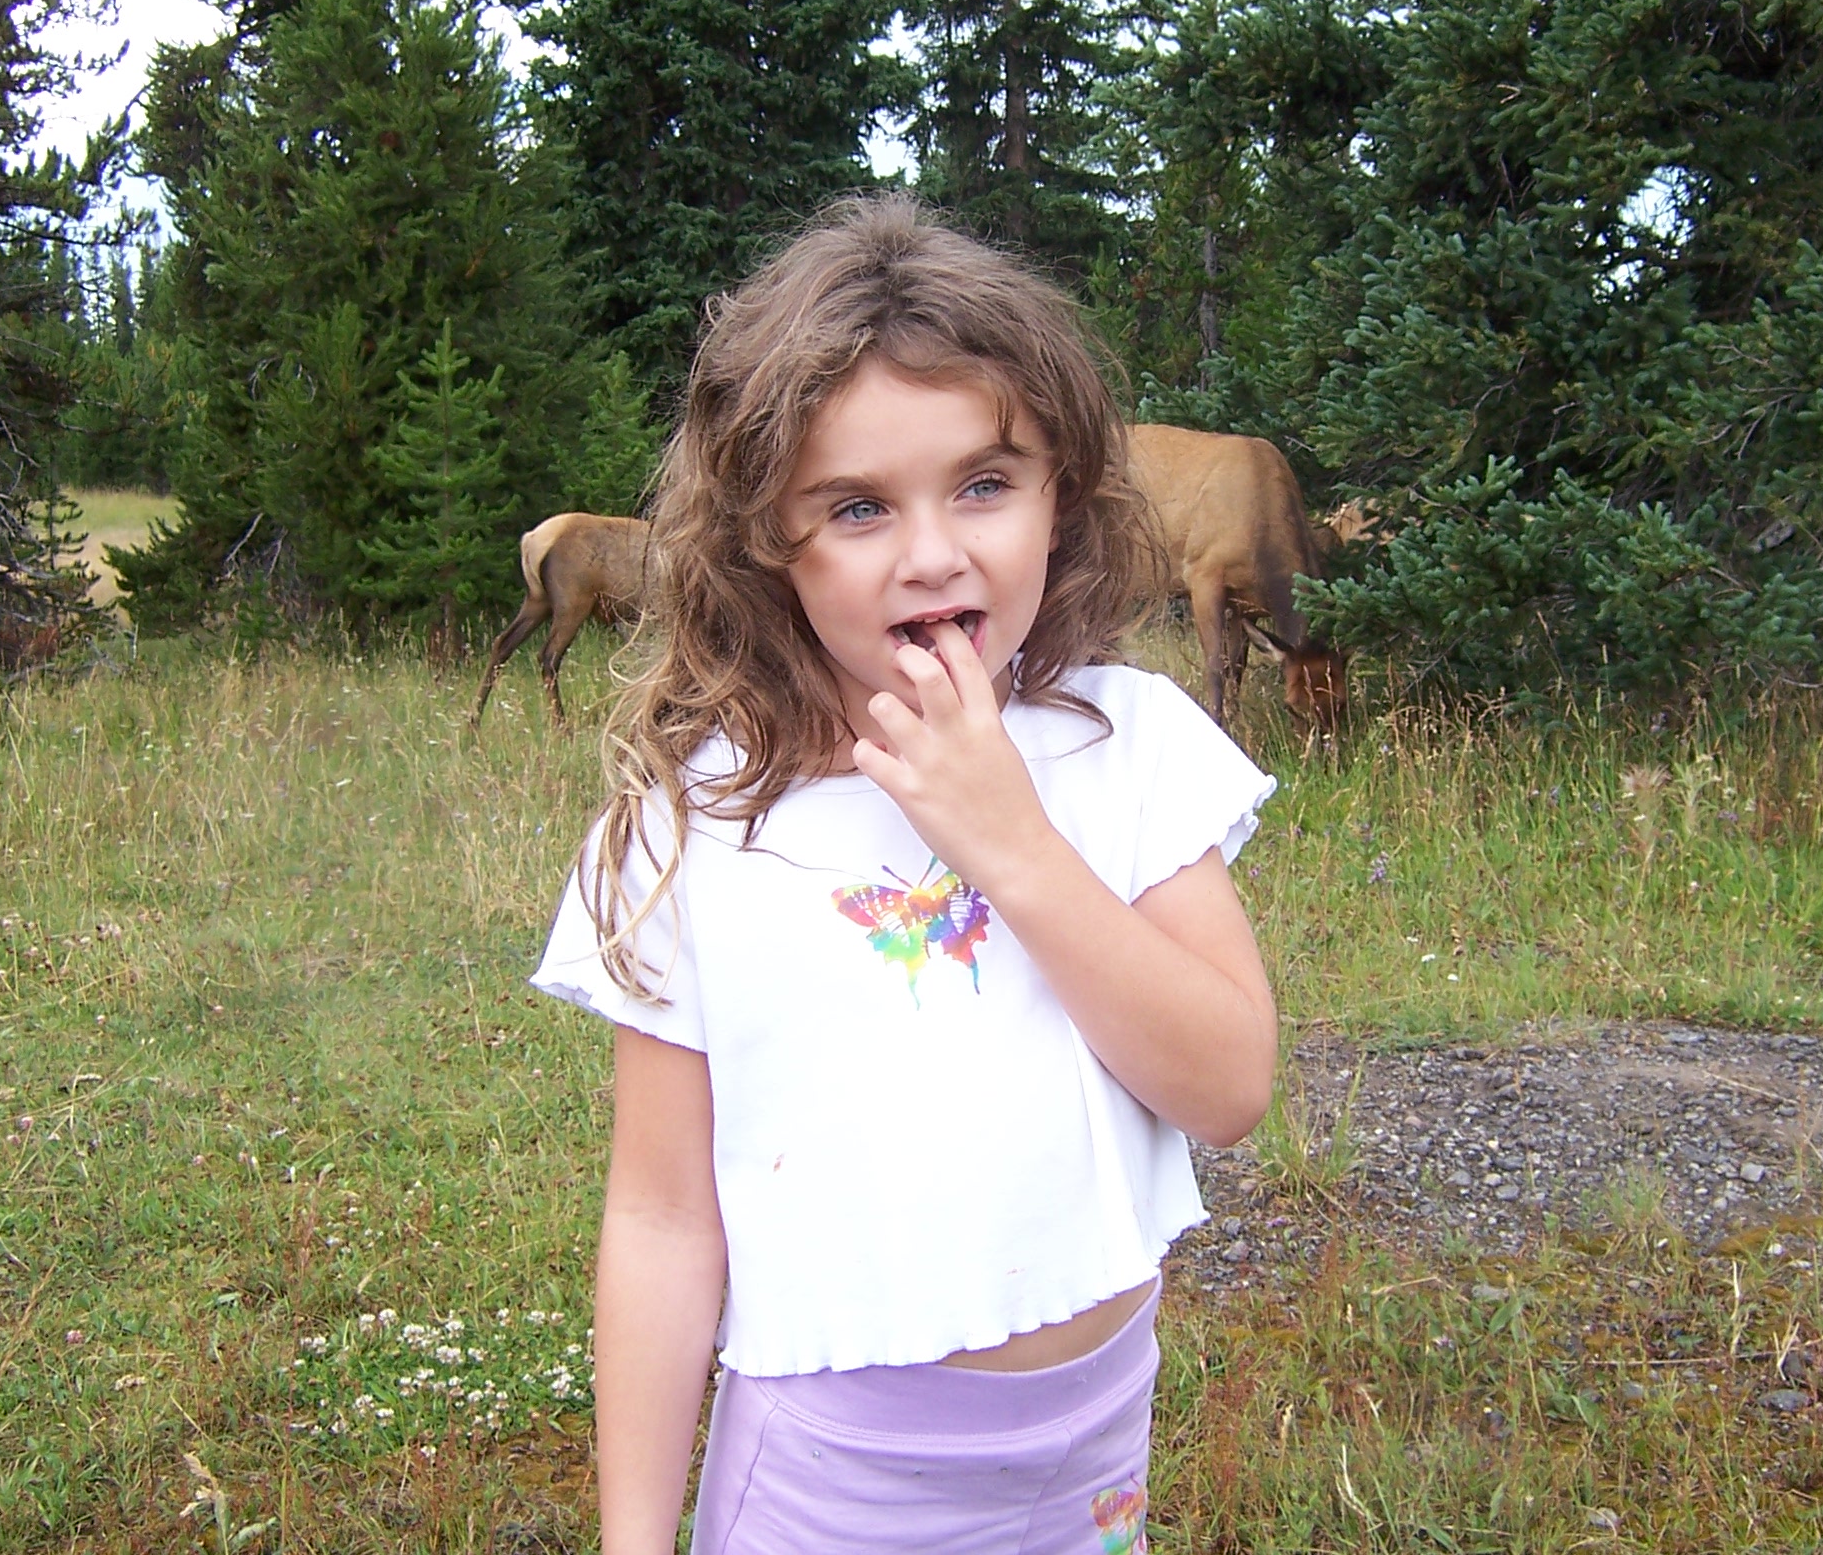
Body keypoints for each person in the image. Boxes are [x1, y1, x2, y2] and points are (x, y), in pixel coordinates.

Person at [529, 194, 1279, 1555]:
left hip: (1093, 1462)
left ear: (1064, 495)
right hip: (834, 1482)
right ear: (768, 536)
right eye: (860, 505)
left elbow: (1227, 1088)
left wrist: (1015, 844)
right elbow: (657, 1218)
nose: (936, 552)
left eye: (986, 483)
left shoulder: (1128, 748)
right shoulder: (689, 835)